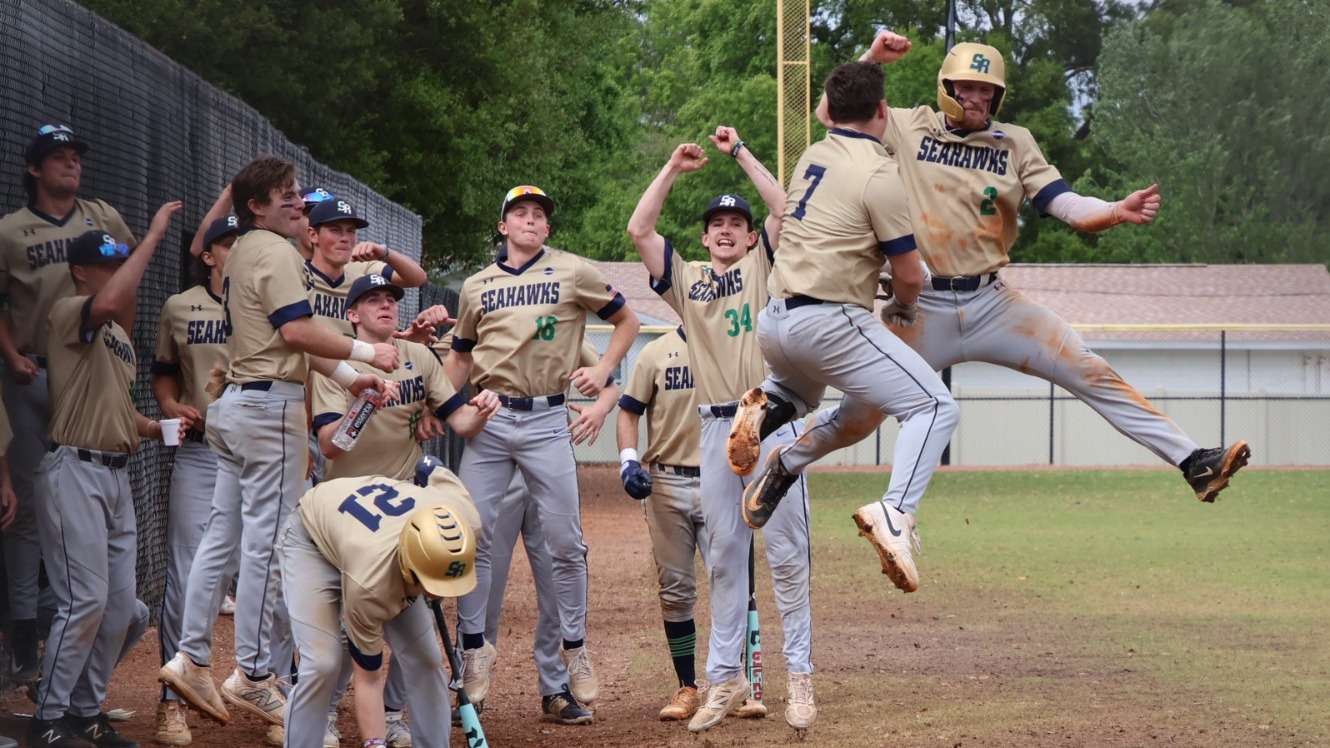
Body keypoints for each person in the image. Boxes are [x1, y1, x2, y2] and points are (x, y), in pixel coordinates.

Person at [810, 32, 1249, 501]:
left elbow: (1067, 205)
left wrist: (1117, 209)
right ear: (946, 88)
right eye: (968, 87)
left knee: (1089, 369)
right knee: (855, 419)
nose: (977, 97)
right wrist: (873, 60)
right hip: (921, 308)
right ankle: (785, 461)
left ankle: (1193, 462)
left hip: (992, 304)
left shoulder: (1013, 142)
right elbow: (834, 115)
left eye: (987, 90)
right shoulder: (909, 125)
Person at [159, 155, 399, 730]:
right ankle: (255, 675)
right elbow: (295, 332)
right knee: (267, 546)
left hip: (239, 404)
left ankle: (191, 657)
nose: (296, 202)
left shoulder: (242, 251)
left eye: (295, 193)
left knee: (221, 536)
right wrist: (367, 353)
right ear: (255, 208)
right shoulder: (276, 251)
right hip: (270, 412)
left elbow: (285, 340)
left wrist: (347, 377)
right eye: (284, 195)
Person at [727, 62, 959, 596]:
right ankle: (895, 513)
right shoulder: (882, 174)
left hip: (776, 322)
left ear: (829, 111)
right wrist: (903, 305)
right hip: (830, 323)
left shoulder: (813, 154)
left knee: (807, 396)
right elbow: (907, 275)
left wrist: (869, 60)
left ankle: (773, 424)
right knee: (934, 407)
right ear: (883, 112)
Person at [626, 128, 815, 733]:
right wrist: (672, 169)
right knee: (727, 558)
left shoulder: (763, 264)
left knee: (786, 555)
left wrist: (740, 153)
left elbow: (784, 207)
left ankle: (800, 677)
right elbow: (640, 231)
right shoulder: (689, 281)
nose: (728, 228)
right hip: (714, 431)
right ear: (705, 236)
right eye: (717, 224)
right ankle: (724, 678)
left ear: (749, 235)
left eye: (736, 222)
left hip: (771, 415)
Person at [444, 185, 640, 723]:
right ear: (503, 226)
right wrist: (435, 409)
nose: (530, 220)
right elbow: (459, 360)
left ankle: (573, 652)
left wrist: (603, 380)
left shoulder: (571, 273)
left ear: (547, 228)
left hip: (547, 420)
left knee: (565, 544)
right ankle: (473, 651)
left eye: (539, 215)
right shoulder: (478, 285)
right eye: (519, 213)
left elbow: (628, 322)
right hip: (491, 421)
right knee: (472, 539)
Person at [31, 205, 180, 748]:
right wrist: (154, 236)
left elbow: (123, 415)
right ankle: (48, 717)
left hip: (115, 477)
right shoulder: (71, 311)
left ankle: (85, 711)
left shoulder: (118, 341)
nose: (119, 276)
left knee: (123, 607)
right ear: (81, 272)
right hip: (74, 471)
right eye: (109, 266)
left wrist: (159, 425)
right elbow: (115, 298)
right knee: (85, 601)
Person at [0, 124, 136, 683]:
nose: (71, 165)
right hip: (31, 370)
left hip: (86, 367)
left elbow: (126, 282)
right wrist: (10, 355)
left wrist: (120, 350)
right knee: (30, 505)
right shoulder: (9, 230)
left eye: (76, 156)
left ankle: (65, 618)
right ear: (34, 168)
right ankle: (26, 633)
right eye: (59, 157)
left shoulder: (100, 216)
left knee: (72, 499)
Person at [278, 456, 480, 748]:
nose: (442, 595)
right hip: (311, 541)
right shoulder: (371, 585)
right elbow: (369, 678)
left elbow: (428, 465)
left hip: (371, 538)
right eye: (434, 585)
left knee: (425, 658)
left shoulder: (467, 521)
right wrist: (375, 744)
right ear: (411, 568)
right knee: (322, 664)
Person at [471, 339, 619, 726]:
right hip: (496, 463)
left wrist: (601, 407)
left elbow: (609, 382)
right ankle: (469, 688)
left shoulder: (565, 323)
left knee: (556, 577)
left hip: (546, 462)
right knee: (485, 578)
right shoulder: (489, 316)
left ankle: (555, 687)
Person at [151, 210, 242, 746]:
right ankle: (171, 701)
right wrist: (170, 404)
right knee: (187, 573)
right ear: (207, 255)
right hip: (202, 454)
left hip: (258, 457)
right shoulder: (179, 306)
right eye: (226, 244)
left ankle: (268, 692)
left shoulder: (264, 303)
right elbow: (164, 373)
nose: (236, 250)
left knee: (263, 575)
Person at [615, 325, 712, 722]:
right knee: (675, 589)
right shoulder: (655, 353)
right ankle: (688, 686)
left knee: (731, 581)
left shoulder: (735, 344)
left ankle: (731, 681)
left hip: (722, 478)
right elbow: (628, 412)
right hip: (667, 482)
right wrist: (628, 460)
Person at [304, 197, 427, 338]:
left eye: (351, 231)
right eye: (335, 230)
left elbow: (418, 279)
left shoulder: (361, 276)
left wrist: (385, 252)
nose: (345, 238)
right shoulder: (298, 276)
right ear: (313, 235)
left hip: (358, 358)